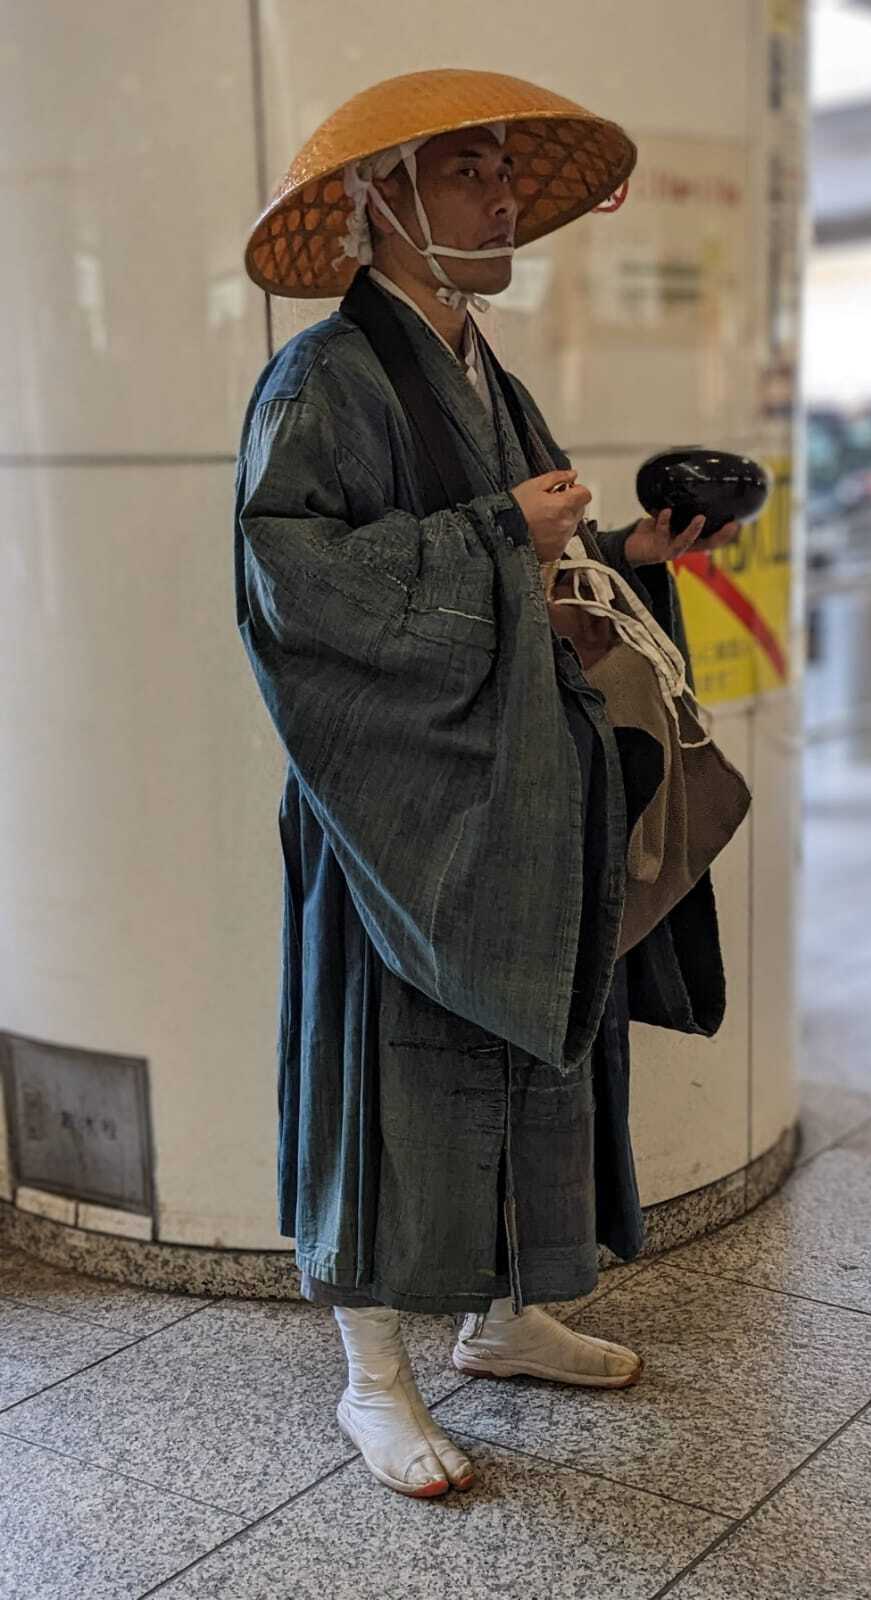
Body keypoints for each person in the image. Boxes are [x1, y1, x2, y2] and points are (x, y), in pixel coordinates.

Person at [235, 69, 741, 1501]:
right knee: (386, 1076)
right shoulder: (321, 376)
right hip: (393, 810)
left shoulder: (481, 371)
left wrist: (630, 558)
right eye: (466, 170)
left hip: (514, 789)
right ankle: (370, 1380)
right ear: (373, 203)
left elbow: (537, 573)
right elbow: (292, 584)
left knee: (537, 1060)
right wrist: (490, 535)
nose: (503, 193)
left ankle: (505, 1318)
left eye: (506, 171)